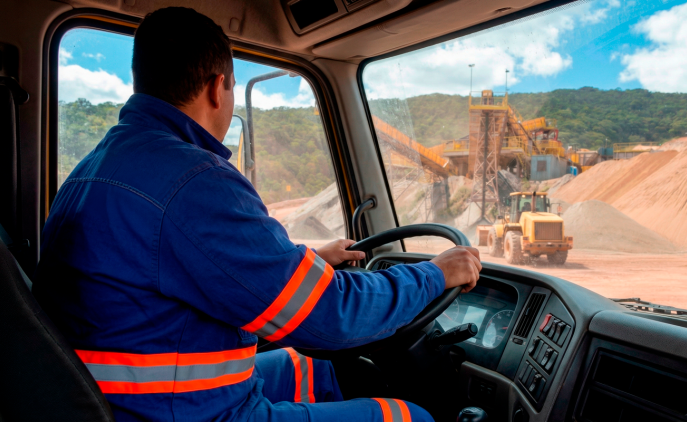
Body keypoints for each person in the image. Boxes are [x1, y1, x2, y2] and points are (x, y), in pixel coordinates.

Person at [36, 7, 481, 422]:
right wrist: (436, 273)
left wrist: (308, 263)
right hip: (189, 410)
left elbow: (178, 264)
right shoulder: (194, 179)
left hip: (141, 392)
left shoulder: (93, 170)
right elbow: (332, 316)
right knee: (409, 417)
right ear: (218, 87)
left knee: (313, 368)